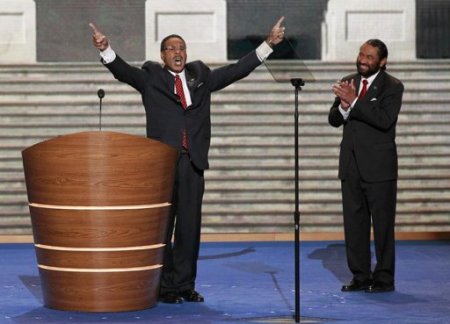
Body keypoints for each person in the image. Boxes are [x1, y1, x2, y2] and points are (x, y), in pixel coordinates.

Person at [90, 17, 286, 304]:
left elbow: (236, 71)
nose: (177, 52)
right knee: (163, 228)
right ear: (162, 55)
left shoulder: (201, 77)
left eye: (181, 47)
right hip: (163, 164)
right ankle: (165, 286)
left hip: (192, 162)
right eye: (171, 48)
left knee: (189, 228)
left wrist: (268, 44)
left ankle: (184, 285)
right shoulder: (151, 78)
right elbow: (123, 72)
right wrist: (106, 48)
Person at [328, 39, 404, 293]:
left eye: (369, 56)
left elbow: (384, 120)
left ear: (382, 62)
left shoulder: (392, 87)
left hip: (379, 168)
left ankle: (383, 279)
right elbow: (333, 119)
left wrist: (356, 103)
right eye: (361, 54)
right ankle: (360, 276)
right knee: (354, 224)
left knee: (383, 226)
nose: (362, 59)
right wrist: (343, 105)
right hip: (351, 166)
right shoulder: (349, 80)